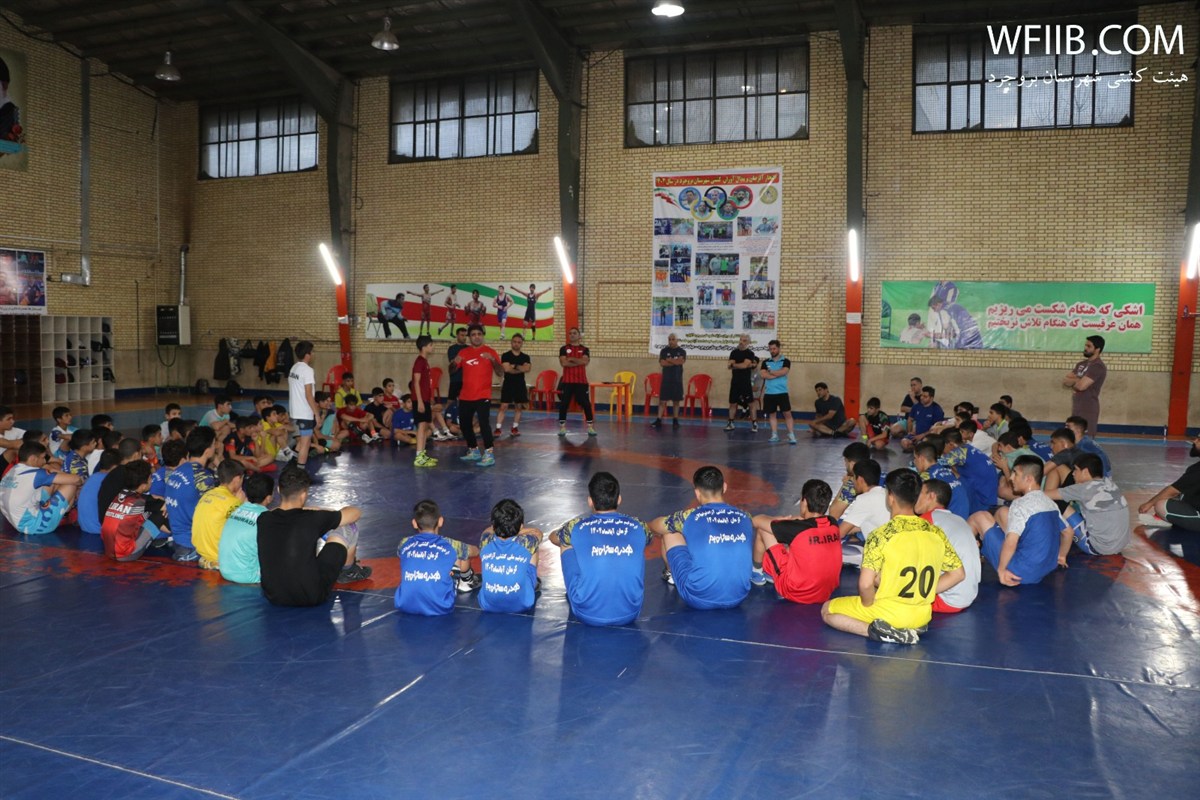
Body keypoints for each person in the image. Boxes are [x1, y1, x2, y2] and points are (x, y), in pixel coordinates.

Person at [821, 469, 965, 644]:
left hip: (890, 613)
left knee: (827, 610)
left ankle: (881, 632)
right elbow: (958, 574)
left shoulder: (881, 535)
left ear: (890, 497)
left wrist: (869, 605)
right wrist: (921, 596)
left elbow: (865, 584)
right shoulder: (935, 532)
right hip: (922, 615)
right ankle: (905, 627)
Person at [258, 467, 370, 606]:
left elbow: (278, 511)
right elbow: (355, 513)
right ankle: (348, 571)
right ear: (304, 494)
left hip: (273, 595)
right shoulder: (313, 518)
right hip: (311, 596)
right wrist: (322, 510)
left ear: (279, 490)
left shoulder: (264, 519)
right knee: (348, 527)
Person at [549, 471, 650, 626]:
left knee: (566, 541)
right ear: (619, 499)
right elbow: (649, 539)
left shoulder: (576, 526)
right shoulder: (639, 525)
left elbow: (553, 538)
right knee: (638, 542)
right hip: (630, 612)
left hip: (586, 613)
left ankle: (577, 591)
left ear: (590, 501)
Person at [650, 466, 753, 609]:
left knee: (670, 532)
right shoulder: (745, 516)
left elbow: (657, 526)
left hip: (698, 597)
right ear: (724, 487)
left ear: (697, 492)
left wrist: (648, 527)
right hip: (739, 595)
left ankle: (671, 574)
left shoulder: (689, 516)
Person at [968, 455, 1070, 586]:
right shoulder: (1050, 503)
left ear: (1028, 479)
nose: (1011, 478)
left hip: (1019, 572)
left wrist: (1002, 570)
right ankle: (985, 546)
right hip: (1045, 569)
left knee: (979, 517)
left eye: (1015, 473)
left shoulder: (1020, 504)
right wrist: (1061, 556)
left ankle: (961, 563)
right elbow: (1068, 532)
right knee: (1002, 512)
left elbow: (1011, 542)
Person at [750, 479, 842, 604]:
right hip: (825, 591)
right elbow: (805, 523)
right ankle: (772, 572)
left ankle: (756, 572)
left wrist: (780, 519)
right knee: (799, 545)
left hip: (796, 592)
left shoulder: (797, 529)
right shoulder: (833, 523)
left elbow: (756, 520)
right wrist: (789, 520)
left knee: (764, 530)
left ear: (804, 501)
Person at [394, 499, 480, 615]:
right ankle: (466, 581)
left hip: (404, 604)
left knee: (422, 561)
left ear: (414, 523)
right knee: (460, 556)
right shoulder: (451, 545)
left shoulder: (404, 543)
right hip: (441, 606)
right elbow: (474, 551)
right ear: (440, 521)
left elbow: (403, 555)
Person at [1045, 453, 1130, 559]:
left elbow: (1045, 495)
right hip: (1121, 544)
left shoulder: (1084, 489)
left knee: (1056, 503)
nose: (1073, 473)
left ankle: (1048, 528)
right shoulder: (1109, 483)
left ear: (1085, 472)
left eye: (1076, 470)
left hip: (1097, 548)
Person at [915, 478, 980, 613]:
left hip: (946, 599)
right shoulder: (959, 519)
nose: (915, 497)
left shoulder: (926, 520)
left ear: (931, 496)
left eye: (919, 493)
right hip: (969, 595)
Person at [0, 442, 82, 534]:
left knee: (51, 482)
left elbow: (49, 473)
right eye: (43, 457)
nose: (44, 461)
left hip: (17, 521)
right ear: (33, 458)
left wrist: (52, 470)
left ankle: (56, 511)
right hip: (34, 526)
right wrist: (82, 480)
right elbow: (76, 479)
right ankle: (64, 515)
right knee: (71, 484)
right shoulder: (36, 474)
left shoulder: (12, 470)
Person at [478, 498, 542, 613]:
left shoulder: (485, 540)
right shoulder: (527, 542)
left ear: (494, 525)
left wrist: (504, 529)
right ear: (521, 526)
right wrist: (518, 531)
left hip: (487, 604)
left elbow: (486, 531)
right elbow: (538, 533)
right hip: (522, 604)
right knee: (534, 547)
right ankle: (533, 583)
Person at [164, 427, 218, 563]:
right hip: (192, 545)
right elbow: (212, 514)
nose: (216, 447)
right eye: (214, 444)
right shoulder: (202, 477)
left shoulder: (178, 470)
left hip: (178, 540)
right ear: (207, 451)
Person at [101, 460, 170, 561]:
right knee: (160, 514)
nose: (152, 480)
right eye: (150, 478)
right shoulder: (141, 501)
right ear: (143, 485)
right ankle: (178, 535)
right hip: (126, 555)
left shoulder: (120, 494)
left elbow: (149, 500)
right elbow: (165, 505)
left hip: (108, 550)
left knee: (145, 513)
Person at [455, 324, 502, 467]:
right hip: (465, 395)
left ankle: (489, 453)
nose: (476, 337)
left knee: (483, 424)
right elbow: (452, 370)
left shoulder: (490, 352)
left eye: (479, 334)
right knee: (464, 424)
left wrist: (492, 360)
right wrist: (454, 362)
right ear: (469, 337)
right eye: (473, 334)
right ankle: (474, 450)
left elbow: (500, 372)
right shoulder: (463, 352)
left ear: (483, 336)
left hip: (483, 394)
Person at [218, 472, 275, 585]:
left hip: (225, 571)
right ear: (268, 498)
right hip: (248, 576)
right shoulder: (267, 519)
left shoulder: (237, 509)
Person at [1137, 434, 1200, 531]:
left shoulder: (1197, 470)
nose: (1194, 441)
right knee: (1182, 495)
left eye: (1199, 440)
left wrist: (1149, 504)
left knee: (1161, 506)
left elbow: (1173, 491)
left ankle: (1164, 518)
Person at [192, 459, 246, 570]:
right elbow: (242, 530)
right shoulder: (233, 502)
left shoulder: (207, 494)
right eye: (242, 479)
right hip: (218, 556)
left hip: (201, 553)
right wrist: (241, 505)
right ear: (237, 479)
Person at [287, 341, 322, 477]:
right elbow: (308, 395)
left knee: (301, 442)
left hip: (294, 412)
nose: (313, 354)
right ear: (307, 354)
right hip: (304, 413)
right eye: (312, 352)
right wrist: (317, 414)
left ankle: (291, 466)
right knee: (306, 443)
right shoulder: (307, 370)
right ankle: (300, 474)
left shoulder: (294, 368)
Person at [912, 442, 970, 520]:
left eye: (915, 458)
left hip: (950, 520)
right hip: (964, 517)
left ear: (921, 458)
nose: (914, 462)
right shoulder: (946, 469)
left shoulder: (927, 477)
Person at [1063, 335, 1107, 434]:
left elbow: (1081, 386)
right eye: (1085, 345)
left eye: (1089, 346)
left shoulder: (1098, 366)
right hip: (1076, 406)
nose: (1085, 348)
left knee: (1086, 437)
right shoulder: (1081, 364)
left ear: (1097, 349)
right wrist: (1079, 380)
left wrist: (1075, 381)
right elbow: (1066, 381)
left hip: (1088, 407)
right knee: (1073, 436)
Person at [557, 327, 596, 437]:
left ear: (579, 336)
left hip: (581, 382)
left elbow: (585, 361)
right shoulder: (563, 349)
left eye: (574, 333)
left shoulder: (585, 349)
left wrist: (571, 359)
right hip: (567, 381)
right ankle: (562, 427)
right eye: (570, 333)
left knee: (586, 404)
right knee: (564, 404)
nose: (572, 335)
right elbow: (564, 363)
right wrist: (578, 361)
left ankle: (590, 427)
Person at [838, 459, 890, 542]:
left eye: (854, 478)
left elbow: (840, 533)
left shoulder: (865, 499)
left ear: (860, 480)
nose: (853, 481)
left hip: (881, 547)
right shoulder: (887, 493)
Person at [760, 339, 796, 444]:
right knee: (772, 415)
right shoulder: (765, 362)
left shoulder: (786, 361)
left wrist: (771, 372)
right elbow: (763, 375)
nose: (772, 351)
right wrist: (777, 373)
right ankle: (774, 435)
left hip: (782, 392)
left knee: (787, 414)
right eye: (770, 349)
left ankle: (791, 435)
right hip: (769, 393)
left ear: (779, 348)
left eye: (774, 348)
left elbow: (784, 372)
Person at [495, 333, 531, 437]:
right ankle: (498, 428)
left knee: (518, 407)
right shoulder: (506, 355)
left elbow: (527, 369)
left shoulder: (525, 357)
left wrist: (514, 366)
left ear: (522, 344)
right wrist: (519, 368)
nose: (516, 344)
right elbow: (507, 369)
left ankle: (514, 428)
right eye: (514, 342)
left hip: (520, 384)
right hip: (508, 383)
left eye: (519, 342)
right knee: (503, 406)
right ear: (511, 342)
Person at [411, 335, 439, 468]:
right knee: (421, 427)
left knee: (425, 426)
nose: (432, 347)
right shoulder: (419, 362)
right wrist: (420, 402)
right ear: (424, 347)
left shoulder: (425, 362)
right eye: (430, 345)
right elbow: (416, 382)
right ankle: (419, 456)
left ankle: (422, 454)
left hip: (425, 399)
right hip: (420, 400)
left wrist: (429, 398)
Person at [79, 450, 121, 535]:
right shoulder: (110, 481)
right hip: (98, 529)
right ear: (115, 467)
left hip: (85, 527)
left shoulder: (92, 477)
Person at [334, 372, 384, 443]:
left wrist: (365, 419)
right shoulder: (339, 395)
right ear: (343, 381)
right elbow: (340, 412)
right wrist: (361, 420)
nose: (350, 383)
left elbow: (360, 408)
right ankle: (361, 435)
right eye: (348, 381)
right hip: (346, 422)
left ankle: (373, 435)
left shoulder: (355, 392)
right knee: (347, 422)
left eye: (352, 381)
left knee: (368, 419)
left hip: (356, 420)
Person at [829, 441, 872, 520]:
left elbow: (833, 513)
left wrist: (845, 485)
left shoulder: (855, 482)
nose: (845, 465)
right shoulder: (882, 475)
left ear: (852, 464)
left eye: (846, 462)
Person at [724, 333, 759, 431]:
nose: (741, 342)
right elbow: (729, 365)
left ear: (748, 342)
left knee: (751, 403)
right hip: (735, 382)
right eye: (740, 340)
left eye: (744, 341)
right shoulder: (734, 352)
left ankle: (754, 423)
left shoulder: (750, 353)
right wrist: (742, 365)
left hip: (745, 383)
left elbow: (744, 366)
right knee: (733, 403)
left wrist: (735, 365)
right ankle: (730, 423)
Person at [652, 333, 686, 428]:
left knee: (676, 401)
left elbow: (680, 362)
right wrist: (675, 361)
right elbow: (663, 363)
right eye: (669, 339)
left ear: (677, 340)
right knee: (662, 401)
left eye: (673, 339)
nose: (671, 341)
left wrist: (669, 360)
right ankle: (658, 420)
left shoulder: (682, 351)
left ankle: (675, 421)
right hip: (666, 380)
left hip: (677, 380)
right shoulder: (664, 351)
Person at [900, 385, 944, 452]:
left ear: (931, 398)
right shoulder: (916, 406)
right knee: (904, 443)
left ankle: (919, 448)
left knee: (923, 445)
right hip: (916, 434)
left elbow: (937, 428)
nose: (921, 398)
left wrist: (922, 435)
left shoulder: (937, 409)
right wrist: (910, 432)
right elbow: (910, 420)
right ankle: (916, 448)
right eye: (921, 395)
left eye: (925, 396)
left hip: (928, 436)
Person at [446, 326, 468, 403]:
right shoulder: (452, 348)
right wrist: (461, 360)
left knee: (466, 402)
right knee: (450, 401)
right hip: (455, 379)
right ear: (457, 336)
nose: (464, 337)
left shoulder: (469, 348)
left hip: (467, 380)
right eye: (462, 335)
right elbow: (453, 362)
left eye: (465, 335)